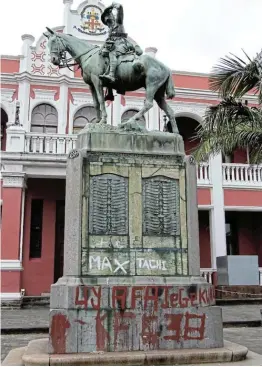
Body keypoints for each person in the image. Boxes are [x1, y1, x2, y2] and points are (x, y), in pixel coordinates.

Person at [99, 2, 142, 83]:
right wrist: (101, 49)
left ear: (111, 17)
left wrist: (115, 6)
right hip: (115, 45)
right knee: (103, 54)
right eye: (106, 22)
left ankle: (111, 75)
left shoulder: (118, 22)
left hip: (123, 44)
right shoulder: (110, 29)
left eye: (108, 20)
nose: (107, 22)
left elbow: (120, 11)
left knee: (112, 53)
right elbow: (108, 41)